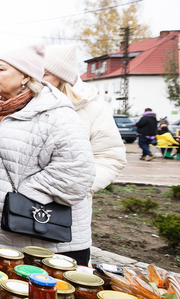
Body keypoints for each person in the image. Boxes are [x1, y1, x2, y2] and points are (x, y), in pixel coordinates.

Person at [0, 40, 95, 265]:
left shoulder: (57, 115)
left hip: (44, 244)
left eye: (1, 69)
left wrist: (18, 199)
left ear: (25, 76)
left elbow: (76, 175)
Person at [43, 45, 126, 193]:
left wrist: (76, 188)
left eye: (44, 74)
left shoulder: (92, 110)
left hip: (66, 206)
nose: (36, 79)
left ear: (62, 78)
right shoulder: (21, 105)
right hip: (19, 205)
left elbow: (110, 158)